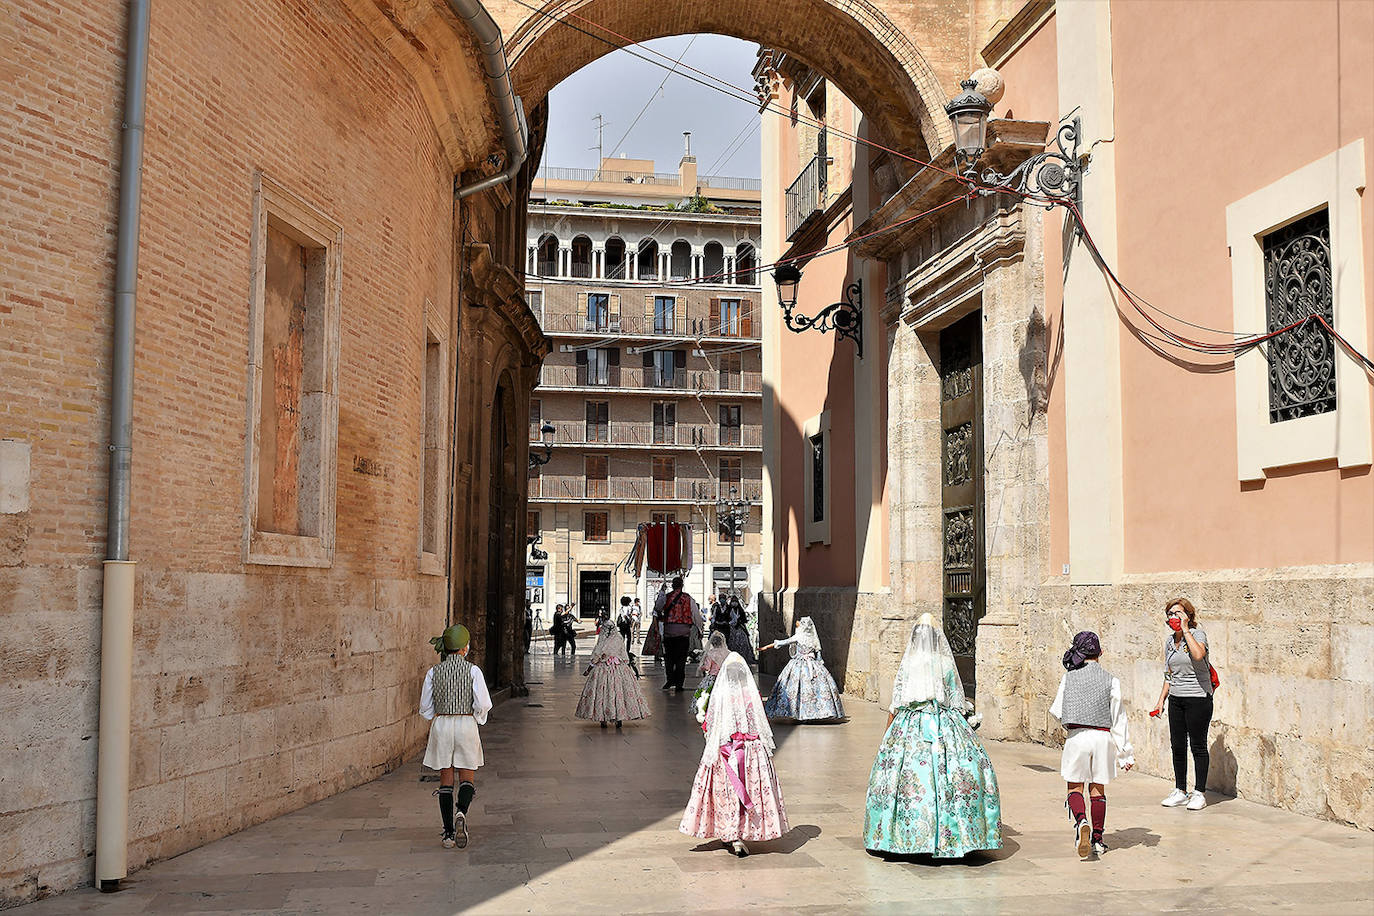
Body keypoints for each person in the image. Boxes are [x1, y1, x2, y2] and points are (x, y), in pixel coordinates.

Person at [863, 615, 1001, 858]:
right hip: (944, 723)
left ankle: (906, 837)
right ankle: (960, 835)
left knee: (906, 778)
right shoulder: (945, 664)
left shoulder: (909, 663)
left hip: (910, 724)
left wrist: (886, 739)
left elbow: (896, 703)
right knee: (958, 774)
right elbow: (956, 700)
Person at [679, 653, 789, 857]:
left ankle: (730, 833)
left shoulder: (719, 694)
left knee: (725, 793)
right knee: (751, 789)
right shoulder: (751, 694)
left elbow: (710, 725)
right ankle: (745, 830)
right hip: (751, 751)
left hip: (726, 750)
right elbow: (759, 722)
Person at [1051, 630, 1134, 859]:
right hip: (1102, 738)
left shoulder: (1069, 677)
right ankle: (1098, 839)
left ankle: (1081, 821)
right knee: (1098, 790)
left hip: (1077, 736)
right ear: (1101, 653)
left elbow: (1058, 710)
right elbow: (1119, 718)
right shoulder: (1112, 680)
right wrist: (1125, 753)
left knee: (1074, 787)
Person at [421, 624, 493, 849]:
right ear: (464, 648)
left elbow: (425, 707)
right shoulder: (473, 671)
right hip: (465, 723)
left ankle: (448, 835)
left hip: (442, 724)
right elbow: (483, 703)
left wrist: (439, 715)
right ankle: (461, 811)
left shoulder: (433, 672)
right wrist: (478, 718)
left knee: (446, 778)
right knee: (467, 776)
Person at [1149, 597, 1213, 811]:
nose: (1173, 617)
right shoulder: (1169, 641)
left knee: (1198, 746)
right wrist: (1161, 700)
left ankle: (1199, 793)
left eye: (1178, 613)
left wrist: (1185, 629)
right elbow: (1169, 674)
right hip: (1177, 698)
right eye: (1170, 614)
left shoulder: (1197, 635)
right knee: (1177, 745)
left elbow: (1198, 655)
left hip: (1198, 698)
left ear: (1188, 615)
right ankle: (1180, 790)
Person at [761, 617, 845, 721]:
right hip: (813, 665)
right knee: (815, 689)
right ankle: (816, 712)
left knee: (797, 688)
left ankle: (800, 712)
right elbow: (819, 657)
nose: (798, 623)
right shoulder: (814, 639)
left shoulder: (798, 637)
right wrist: (819, 669)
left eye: (800, 622)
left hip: (799, 664)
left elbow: (782, 642)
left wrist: (766, 647)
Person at [576, 616, 651, 729]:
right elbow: (624, 655)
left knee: (603, 694)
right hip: (619, 669)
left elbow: (596, 657)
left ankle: (603, 719)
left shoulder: (602, 641)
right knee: (619, 693)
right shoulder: (619, 638)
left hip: (603, 669)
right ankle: (619, 717)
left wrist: (588, 670)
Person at [655, 576, 699, 693]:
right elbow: (695, 615)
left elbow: (658, 607)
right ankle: (679, 683)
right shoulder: (688, 599)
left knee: (669, 659)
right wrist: (700, 629)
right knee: (681, 659)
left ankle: (670, 679)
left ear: (672, 585)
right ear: (682, 585)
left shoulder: (667, 597)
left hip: (669, 632)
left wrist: (662, 592)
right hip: (684, 633)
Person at [722, 595, 756, 667]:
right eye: (733, 602)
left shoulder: (740, 610)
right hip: (731, 630)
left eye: (735, 601)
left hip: (739, 629)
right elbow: (725, 618)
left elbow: (744, 619)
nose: (734, 603)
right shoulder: (728, 610)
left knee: (743, 643)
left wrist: (739, 621)